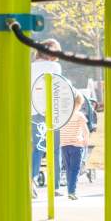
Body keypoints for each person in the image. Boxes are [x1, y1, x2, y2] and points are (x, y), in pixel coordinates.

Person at [31, 39, 64, 198]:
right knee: (55, 149)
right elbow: (58, 89)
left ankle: (32, 181)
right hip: (53, 111)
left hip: (34, 110)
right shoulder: (55, 67)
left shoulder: (30, 67)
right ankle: (55, 186)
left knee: (38, 147)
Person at [59, 92, 90, 200]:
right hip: (76, 146)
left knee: (68, 169)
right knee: (75, 169)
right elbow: (85, 131)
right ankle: (72, 191)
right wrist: (86, 140)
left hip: (64, 146)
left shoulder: (63, 115)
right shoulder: (79, 115)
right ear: (79, 103)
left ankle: (70, 190)